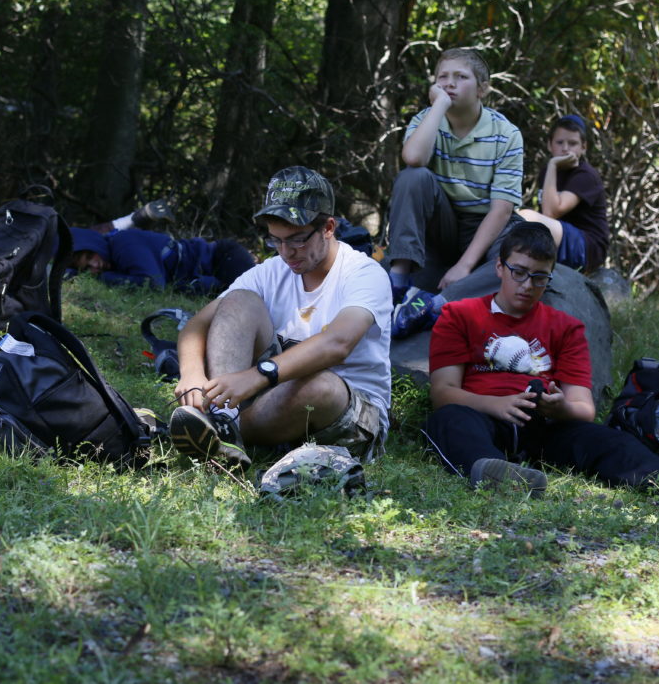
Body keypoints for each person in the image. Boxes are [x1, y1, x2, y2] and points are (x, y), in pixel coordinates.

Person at [423, 221, 659, 510]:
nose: (528, 285)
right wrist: (496, 405)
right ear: (499, 267)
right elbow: (443, 393)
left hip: (544, 426)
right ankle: (494, 474)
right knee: (449, 419)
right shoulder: (460, 315)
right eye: (519, 272)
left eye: (540, 277)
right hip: (482, 417)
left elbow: (583, 408)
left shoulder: (566, 327)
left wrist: (559, 407)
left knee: (608, 440)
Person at [167, 166, 392, 467]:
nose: (286, 252)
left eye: (297, 240)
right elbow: (196, 325)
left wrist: (256, 375)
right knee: (238, 300)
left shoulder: (364, 274)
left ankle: (220, 429)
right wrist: (192, 373)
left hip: (347, 411)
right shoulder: (272, 271)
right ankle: (223, 419)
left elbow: (338, 343)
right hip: (272, 399)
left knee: (321, 386)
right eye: (276, 240)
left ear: (328, 227)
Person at [385, 47, 525, 338]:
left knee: (526, 253)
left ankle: (433, 305)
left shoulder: (507, 134)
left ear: (482, 89)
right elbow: (413, 158)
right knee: (413, 176)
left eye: (461, 77)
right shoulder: (427, 120)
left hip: (484, 226)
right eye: (443, 77)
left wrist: (464, 266)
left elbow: (501, 210)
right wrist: (438, 107)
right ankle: (397, 283)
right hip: (442, 222)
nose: (450, 83)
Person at [517, 114, 609, 272]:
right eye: (560, 142)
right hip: (560, 237)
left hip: (587, 246)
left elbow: (551, 212)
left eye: (572, 143)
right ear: (549, 145)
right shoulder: (547, 172)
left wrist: (553, 165)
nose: (565, 148)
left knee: (526, 217)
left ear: (583, 147)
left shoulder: (586, 175)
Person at [66, 225, 256, 295]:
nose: (95, 266)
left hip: (223, 258)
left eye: (90, 256)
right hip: (209, 272)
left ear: (95, 244)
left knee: (257, 298)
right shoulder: (112, 255)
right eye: (87, 268)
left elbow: (153, 283)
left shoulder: (124, 244)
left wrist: (102, 278)